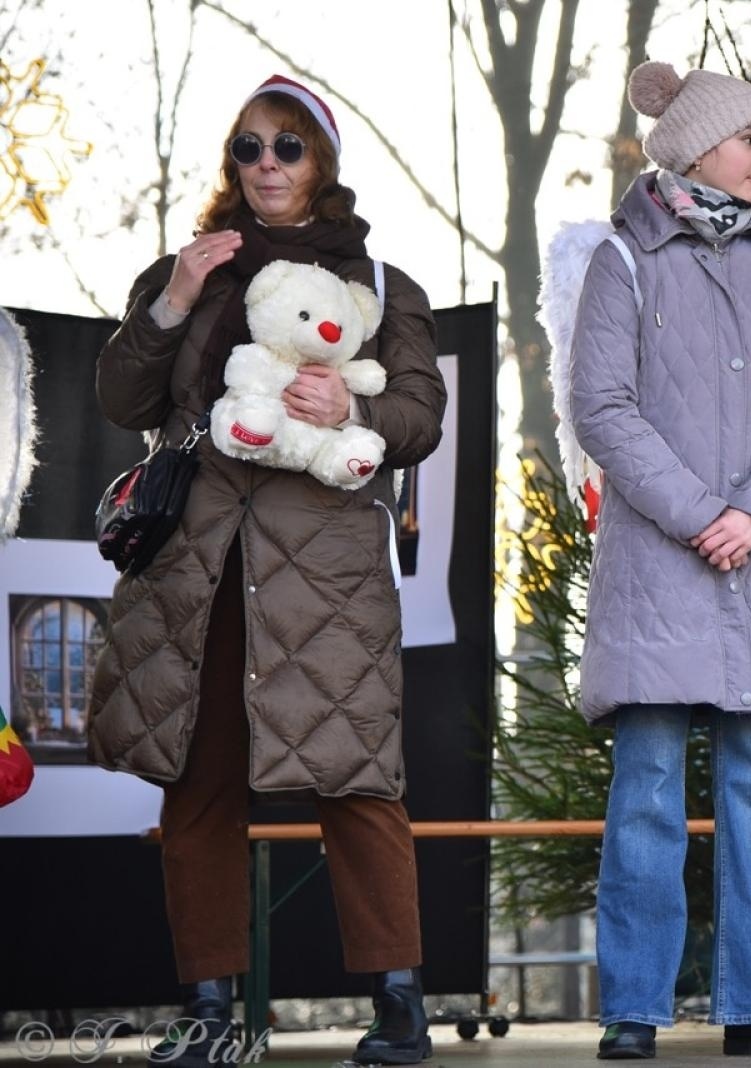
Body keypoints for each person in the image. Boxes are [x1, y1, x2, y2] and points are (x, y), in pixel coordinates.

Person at [85, 75, 445, 1067]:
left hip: (324, 569)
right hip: (197, 565)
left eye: (287, 146)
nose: (266, 165)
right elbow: (122, 397)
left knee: (355, 780)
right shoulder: (184, 270)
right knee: (197, 783)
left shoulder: (380, 283)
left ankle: (400, 1006)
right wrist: (175, 299)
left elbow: (420, 411)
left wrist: (356, 415)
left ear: (321, 162)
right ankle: (208, 1014)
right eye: (247, 148)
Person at [567, 61, 751, 1061]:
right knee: (644, 786)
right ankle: (632, 1009)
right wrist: (699, 515)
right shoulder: (623, 261)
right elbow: (603, 406)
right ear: (694, 145)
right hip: (658, 566)